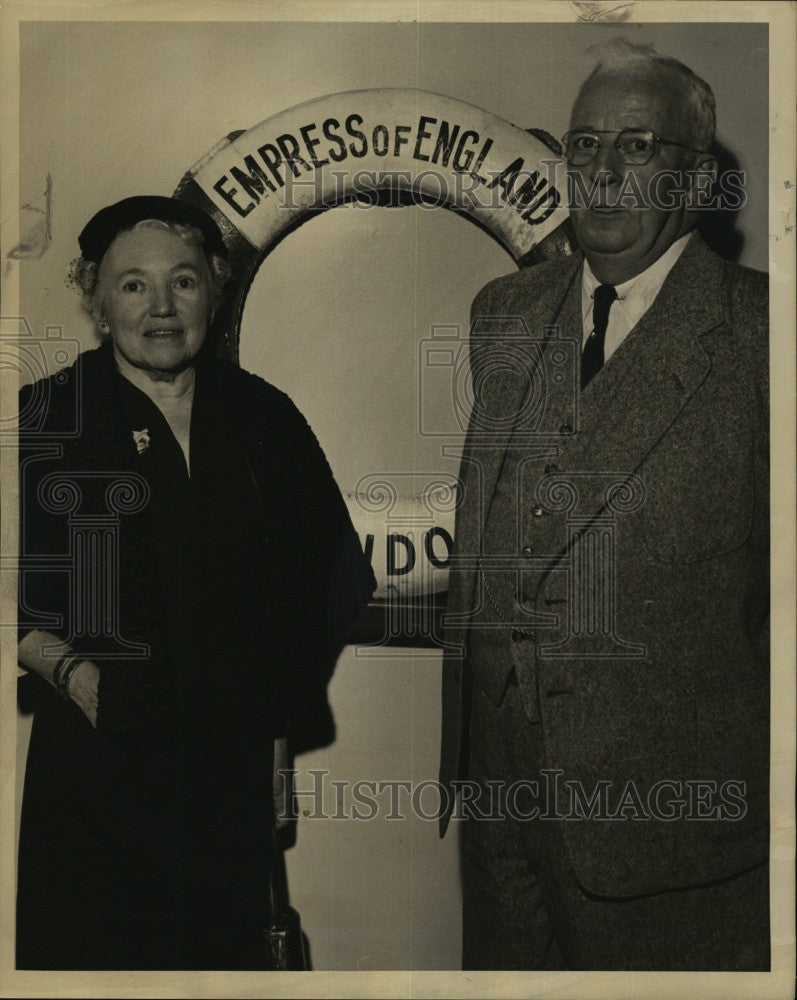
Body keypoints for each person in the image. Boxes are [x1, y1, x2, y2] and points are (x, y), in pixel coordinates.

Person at [439, 40, 769, 971]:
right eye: (585, 147)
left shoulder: (761, 334)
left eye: (637, 146)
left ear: (696, 175)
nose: (605, 173)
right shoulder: (501, 311)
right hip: (499, 809)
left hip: (670, 834)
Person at [16, 195, 375, 970]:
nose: (161, 307)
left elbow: (333, 580)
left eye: (183, 281)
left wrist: (279, 725)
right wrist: (75, 675)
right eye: (133, 284)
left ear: (215, 289)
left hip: (225, 776)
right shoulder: (49, 415)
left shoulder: (264, 419)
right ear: (96, 299)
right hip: (94, 776)